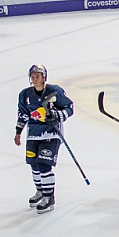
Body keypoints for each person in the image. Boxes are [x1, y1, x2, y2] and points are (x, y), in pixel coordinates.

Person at [15, 65, 74, 214]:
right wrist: (18, 132)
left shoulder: (54, 91)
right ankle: (41, 191)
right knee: (33, 164)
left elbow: (69, 107)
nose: (35, 79)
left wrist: (57, 115)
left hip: (51, 134)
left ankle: (49, 197)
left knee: (43, 164)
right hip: (33, 134)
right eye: (32, 76)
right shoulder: (25, 94)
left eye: (37, 76)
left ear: (44, 77)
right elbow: (23, 114)